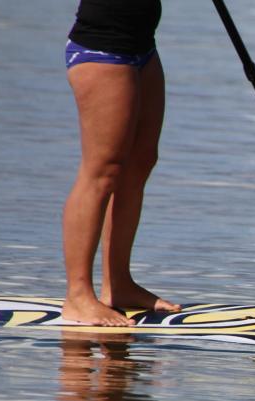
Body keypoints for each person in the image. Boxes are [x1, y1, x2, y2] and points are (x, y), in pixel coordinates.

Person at [62, 0, 180, 325]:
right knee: (102, 170)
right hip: (102, 48)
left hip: (143, 48)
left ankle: (118, 285)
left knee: (140, 162)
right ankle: (78, 295)